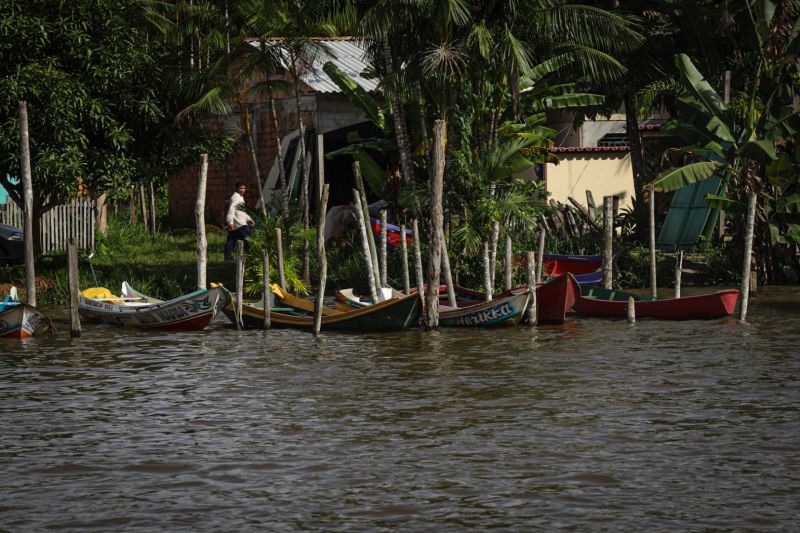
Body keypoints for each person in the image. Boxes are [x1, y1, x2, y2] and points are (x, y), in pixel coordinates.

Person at [224, 182, 255, 261]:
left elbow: (241, 211)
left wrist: (249, 219)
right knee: (248, 240)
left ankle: (227, 258)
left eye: (243, 188)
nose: (242, 190)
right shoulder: (236, 197)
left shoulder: (240, 197)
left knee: (231, 240)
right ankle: (252, 258)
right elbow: (231, 209)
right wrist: (230, 222)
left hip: (237, 223)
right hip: (239, 224)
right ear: (237, 189)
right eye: (240, 188)